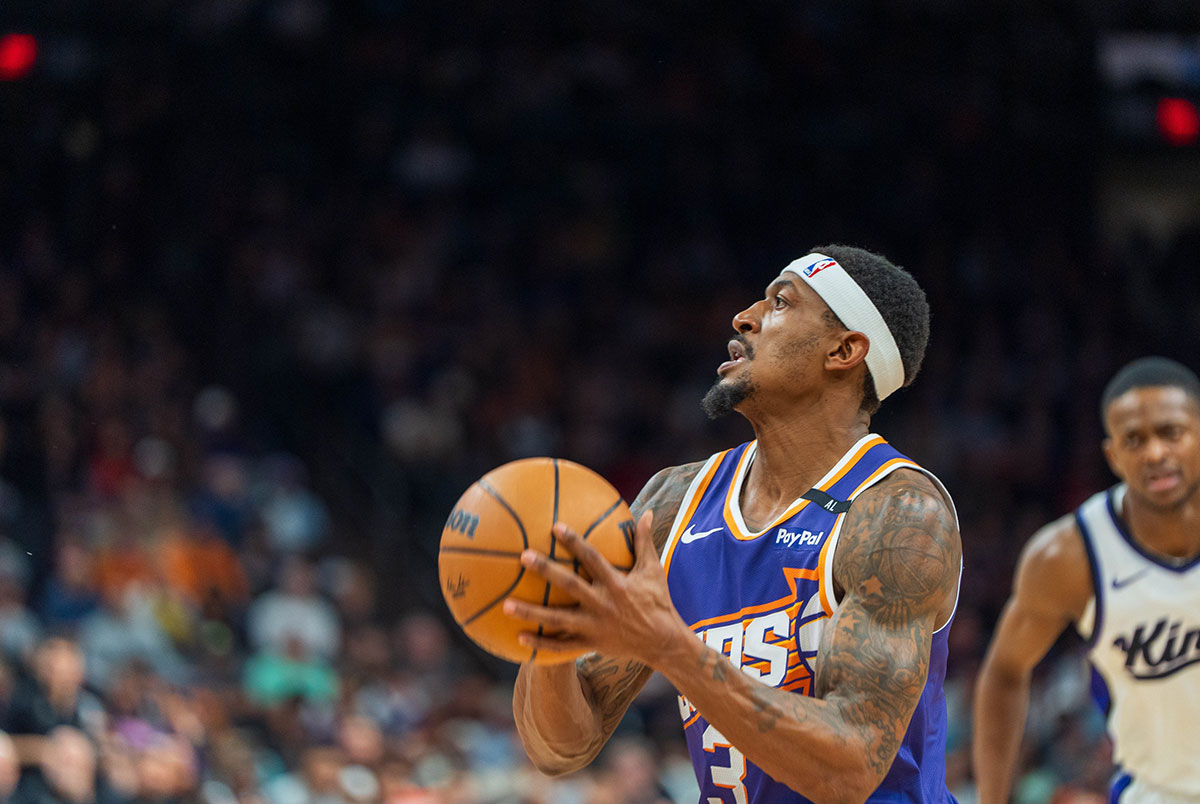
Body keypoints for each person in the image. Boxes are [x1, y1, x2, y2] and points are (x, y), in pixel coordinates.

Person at [506, 246, 963, 804]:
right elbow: (559, 750)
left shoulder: (898, 516)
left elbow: (848, 769)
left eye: (779, 303)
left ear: (843, 350)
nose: (743, 318)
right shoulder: (674, 501)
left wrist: (673, 648)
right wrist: (547, 633)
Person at [973, 356, 1200, 804]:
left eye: (1171, 432)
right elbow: (1004, 671)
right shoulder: (1068, 557)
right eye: (1135, 440)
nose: (1155, 452)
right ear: (1113, 456)